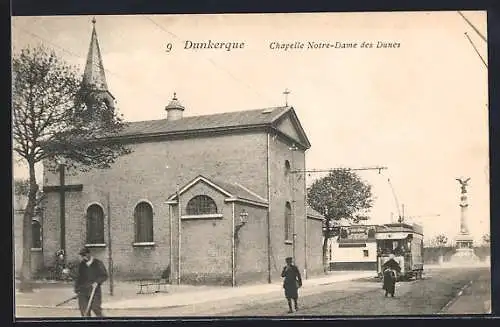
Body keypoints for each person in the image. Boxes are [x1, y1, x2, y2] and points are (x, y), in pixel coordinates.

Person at [74, 247, 108, 317]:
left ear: (89, 254)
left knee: (96, 309)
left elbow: (104, 275)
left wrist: (97, 282)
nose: (83, 257)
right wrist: (77, 289)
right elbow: (79, 278)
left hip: (94, 291)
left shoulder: (98, 263)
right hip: (83, 291)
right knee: (84, 311)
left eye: (84, 255)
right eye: (82, 256)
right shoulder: (82, 265)